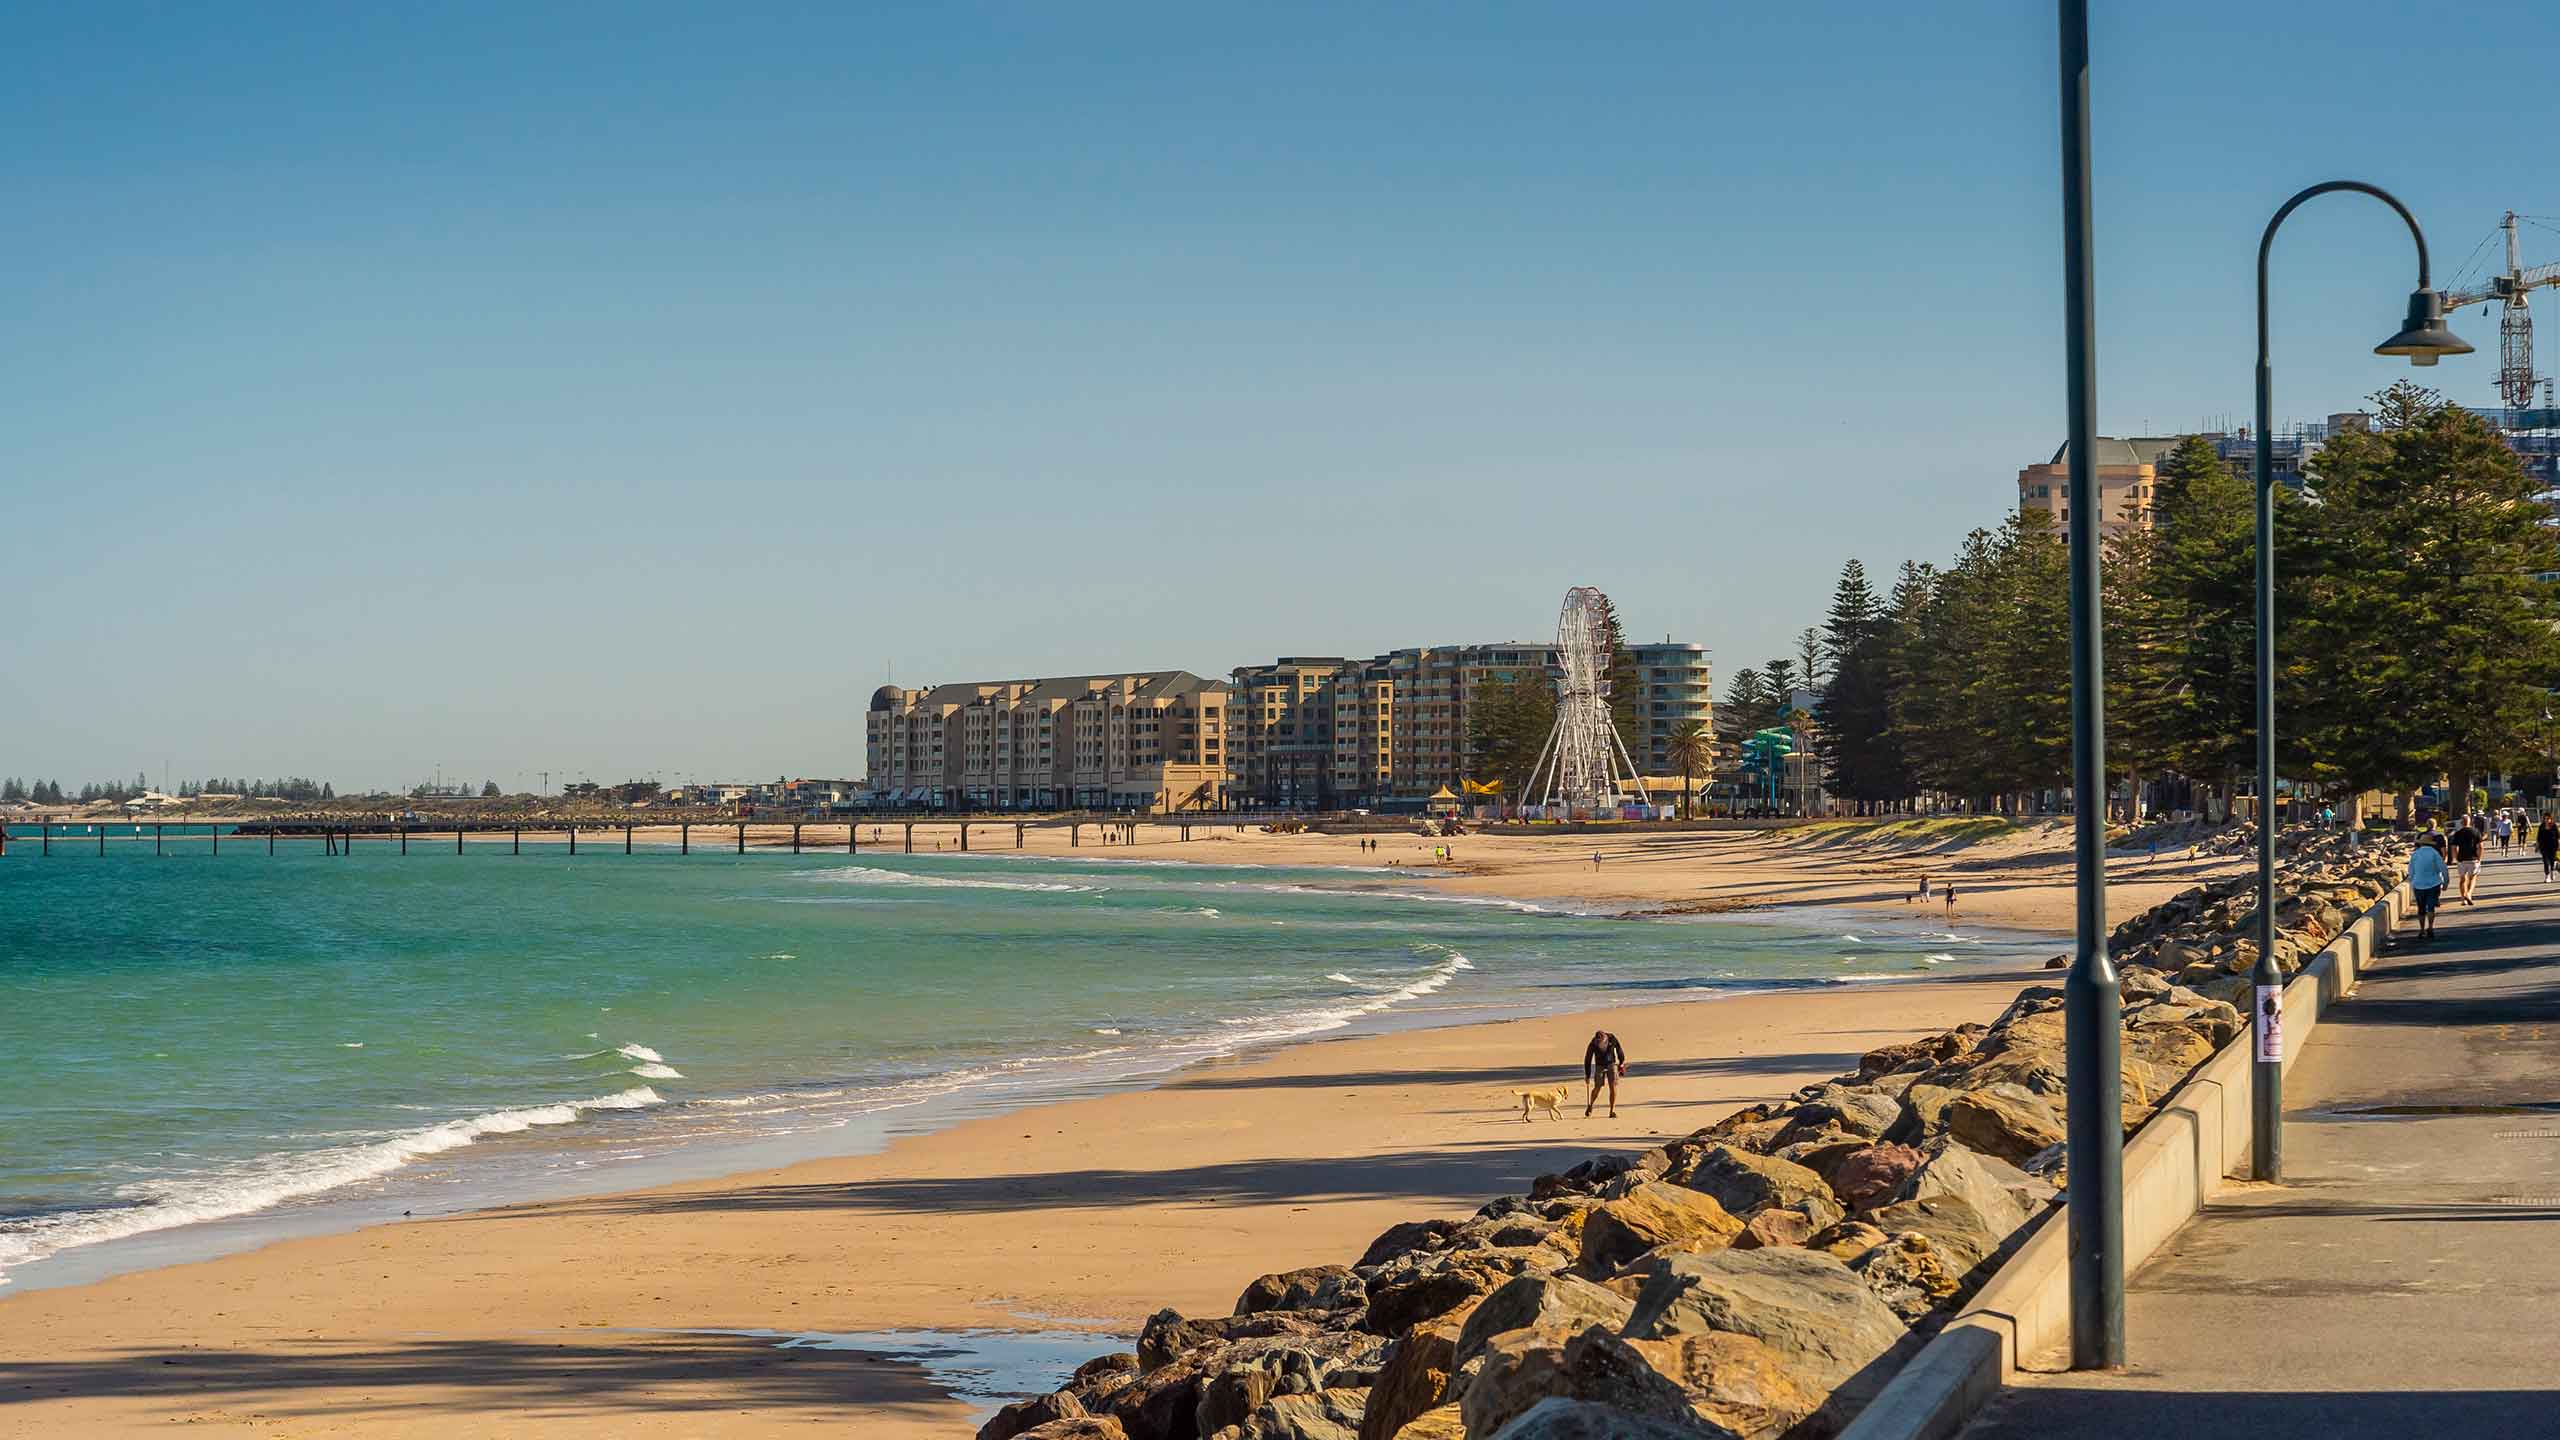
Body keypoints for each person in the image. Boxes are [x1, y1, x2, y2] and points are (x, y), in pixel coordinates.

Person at [2407, 836, 2448, 940]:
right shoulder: (2434, 853)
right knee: (2431, 907)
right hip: (2433, 884)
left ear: (2420, 843)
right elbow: (2443, 868)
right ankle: (2430, 927)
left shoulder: (2415, 854)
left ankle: (2421, 929)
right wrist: (2446, 882)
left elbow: (2411, 871)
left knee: (2421, 908)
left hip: (2418, 884)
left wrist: (2413, 882)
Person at [1583, 1029, 1627, 1119]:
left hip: (1611, 1063)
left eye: (1601, 1042)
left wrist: (1621, 1062)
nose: (1599, 1044)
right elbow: (1588, 1060)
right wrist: (1587, 1075)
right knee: (1597, 1087)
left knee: (1613, 1086)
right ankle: (1590, 1105)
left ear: (1605, 1038)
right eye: (1597, 1042)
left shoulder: (1612, 1038)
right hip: (1600, 1065)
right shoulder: (1592, 1044)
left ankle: (1612, 1110)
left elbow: (1619, 1049)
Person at [2450, 817, 2484, 906]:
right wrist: (2479, 858)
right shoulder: (2476, 832)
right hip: (2473, 858)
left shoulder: (2458, 833)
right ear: (2470, 822)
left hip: (2462, 858)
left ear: (2461, 823)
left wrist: (2456, 858)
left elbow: (2454, 847)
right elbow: (2480, 847)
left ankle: (2463, 899)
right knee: (2472, 878)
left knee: (2462, 879)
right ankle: (2469, 894)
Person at [2539, 816, 2559, 883]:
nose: (2547, 820)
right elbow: (2539, 837)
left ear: (2551, 819)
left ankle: (2552, 872)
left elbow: (2558, 836)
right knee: (2545, 862)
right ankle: (2547, 876)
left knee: (2552, 861)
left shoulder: (2554, 826)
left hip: (2553, 846)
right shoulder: (2541, 826)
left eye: (2548, 819)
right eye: (2545, 819)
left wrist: (2559, 845)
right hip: (2544, 847)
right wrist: (2537, 846)